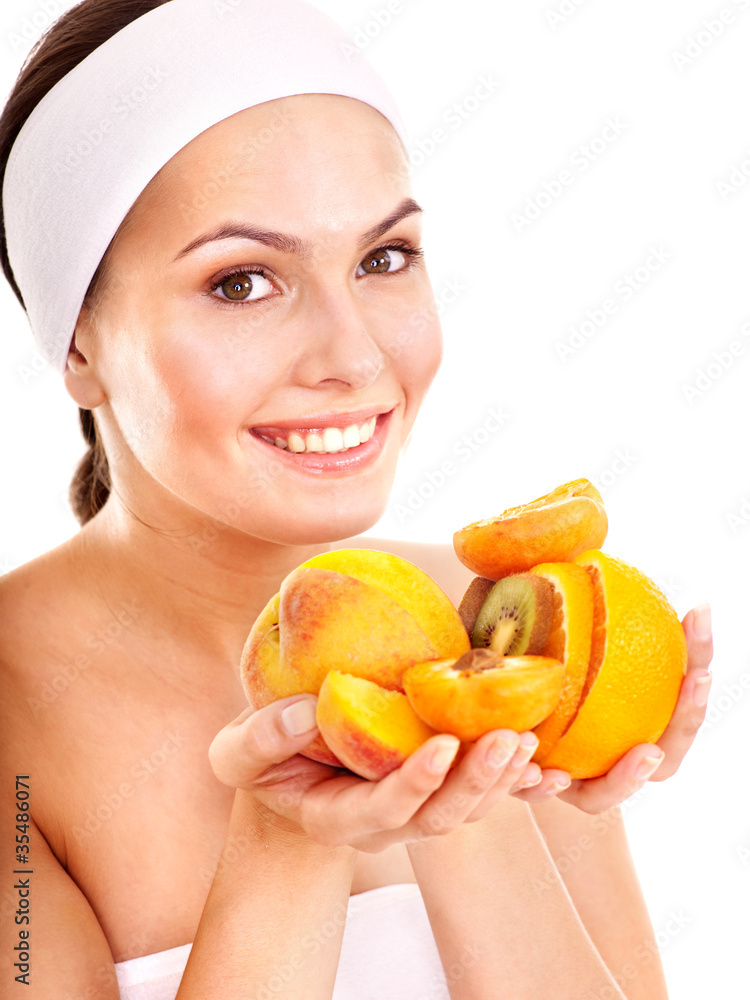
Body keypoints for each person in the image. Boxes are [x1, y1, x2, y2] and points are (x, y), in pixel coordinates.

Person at [0, 1, 714, 997]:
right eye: (242, 282)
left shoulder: (511, 626)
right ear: (78, 342)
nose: (356, 355)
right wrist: (287, 830)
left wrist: (465, 774)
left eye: (384, 259)